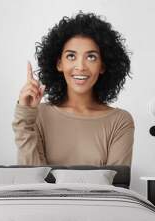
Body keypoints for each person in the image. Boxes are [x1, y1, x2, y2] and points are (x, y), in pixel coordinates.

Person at [12, 12, 134, 166]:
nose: (81, 67)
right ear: (59, 64)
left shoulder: (119, 122)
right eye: (71, 56)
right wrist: (25, 118)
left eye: (91, 57)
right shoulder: (39, 115)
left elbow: (116, 187)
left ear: (102, 65)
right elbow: (32, 182)